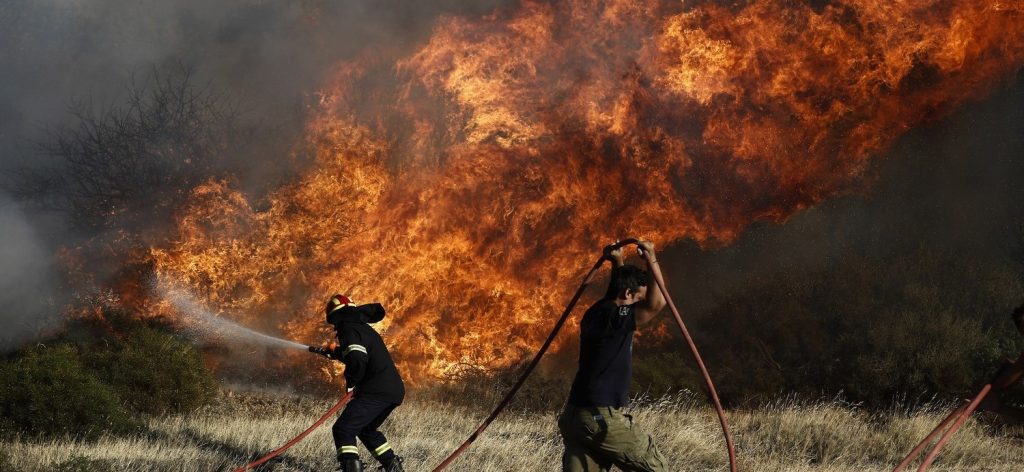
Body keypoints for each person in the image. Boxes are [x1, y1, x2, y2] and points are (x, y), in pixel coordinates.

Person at [558, 240, 669, 472]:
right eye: (637, 299)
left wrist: (617, 261)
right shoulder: (617, 318)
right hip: (601, 416)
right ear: (628, 293)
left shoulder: (597, 311)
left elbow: (618, 291)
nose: (638, 306)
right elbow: (656, 304)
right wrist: (651, 258)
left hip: (576, 417)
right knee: (656, 468)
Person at [322, 294, 406, 472]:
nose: (335, 326)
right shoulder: (362, 329)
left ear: (336, 316)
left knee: (344, 430)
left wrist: (352, 382)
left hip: (376, 391)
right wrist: (336, 352)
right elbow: (358, 354)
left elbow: (358, 359)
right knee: (366, 430)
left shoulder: (349, 329)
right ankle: (394, 467)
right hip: (392, 391)